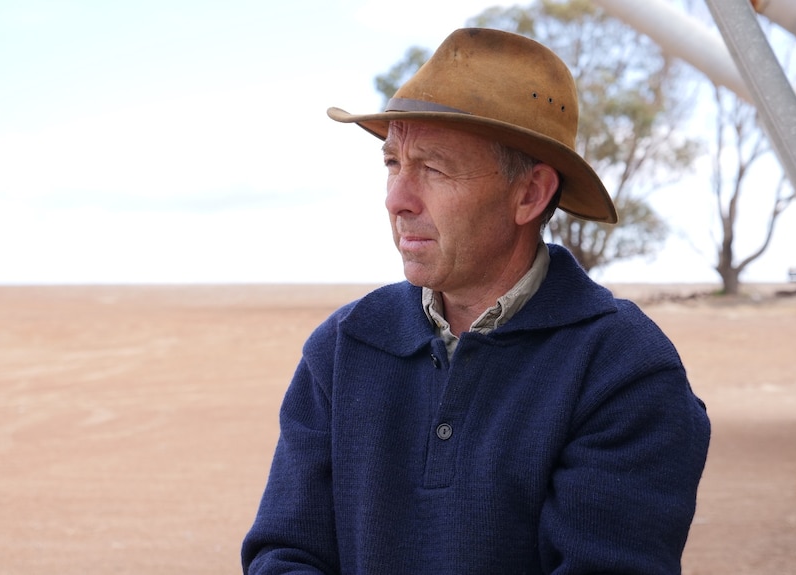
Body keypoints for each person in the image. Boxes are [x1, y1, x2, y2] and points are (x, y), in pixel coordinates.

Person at [242, 28, 710, 574]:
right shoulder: (343, 347)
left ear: (530, 194)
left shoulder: (623, 368)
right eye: (393, 163)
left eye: (434, 168)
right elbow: (284, 554)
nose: (397, 200)